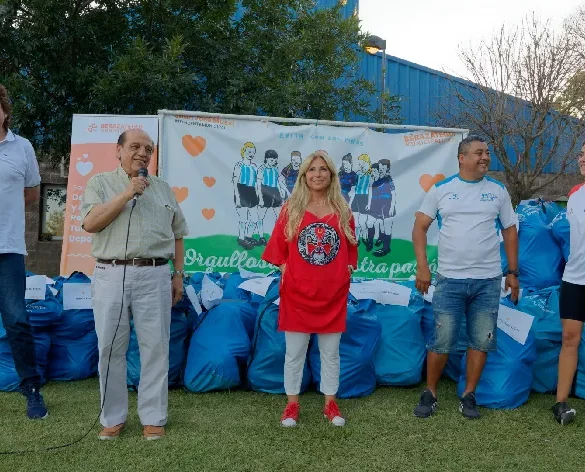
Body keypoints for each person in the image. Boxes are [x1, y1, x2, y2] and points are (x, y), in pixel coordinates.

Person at [81, 129, 188, 440]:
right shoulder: (100, 183)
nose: (143, 153)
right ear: (119, 150)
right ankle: (112, 418)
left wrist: (178, 274)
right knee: (110, 347)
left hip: (154, 274)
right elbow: (90, 223)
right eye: (136, 146)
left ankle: (153, 417)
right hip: (111, 273)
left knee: (155, 347)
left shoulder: (163, 189)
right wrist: (127, 193)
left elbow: (178, 235)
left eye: (148, 149)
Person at [412, 135, 519, 420]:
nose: (485, 157)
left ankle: (469, 395)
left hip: (488, 281)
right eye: (479, 153)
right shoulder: (442, 190)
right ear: (462, 158)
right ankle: (430, 392)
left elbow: (510, 230)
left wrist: (512, 272)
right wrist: (422, 266)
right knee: (442, 338)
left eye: (487, 153)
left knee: (481, 340)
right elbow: (419, 227)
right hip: (450, 279)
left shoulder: (498, 191)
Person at [261, 150, 358, 427]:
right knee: (294, 353)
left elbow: (351, 250)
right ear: (304, 175)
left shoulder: (342, 210)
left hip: (332, 295)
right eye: (312, 169)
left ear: (331, 175)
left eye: (323, 169)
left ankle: (330, 404)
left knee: (331, 353)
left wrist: (346, 270)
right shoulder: (291, 209)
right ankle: (292, 405)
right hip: (297, 294)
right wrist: (288, 271)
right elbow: (277, 249)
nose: (317, 174)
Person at [0, 83, 48, 419]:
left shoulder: (23, 147)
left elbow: (31, 193)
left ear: (4, 111)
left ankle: (31, 388)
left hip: (8, 249)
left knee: (16, 320)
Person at [551, 143, 585, 426]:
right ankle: (560, 403)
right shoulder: (574, 194)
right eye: (582, 154)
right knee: (569, 339)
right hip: (575, 278)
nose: (583, 159)